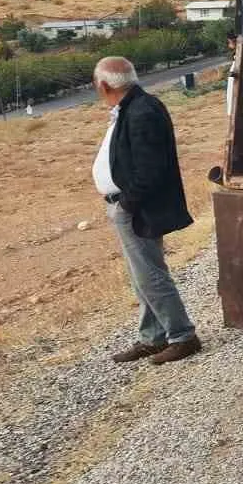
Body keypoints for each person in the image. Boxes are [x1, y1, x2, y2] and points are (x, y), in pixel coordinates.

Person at [92, 56, 201, 364]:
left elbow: (150, 170)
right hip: (131, 206)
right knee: (142, 276)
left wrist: (126, 205)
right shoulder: (133, 107)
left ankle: (182, 336)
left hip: (137, 208)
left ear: (102, 85)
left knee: (150, 275)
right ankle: (153, 337)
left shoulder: (141, 111)